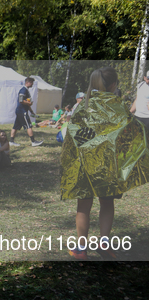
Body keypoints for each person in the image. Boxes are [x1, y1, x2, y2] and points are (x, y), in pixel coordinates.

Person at [61, 67, 135, 260]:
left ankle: (81, 248)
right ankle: (104, 242)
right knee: (107, 203)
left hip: (86, 164)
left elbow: (74, 138)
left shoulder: (83, 107)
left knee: (83, 206)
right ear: (113, 85)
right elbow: (127, 136)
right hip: (109, 165)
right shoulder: (119, 107)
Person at [9, 77, 43, 147]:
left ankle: (11, 141)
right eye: (32, 83)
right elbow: (21, 100)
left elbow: (26, 102)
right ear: (28, 82)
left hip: (20, 111)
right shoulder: (23, 90)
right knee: (29, 126)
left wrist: (31, 111)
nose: (32, 84)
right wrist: (29, 103)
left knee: (15, 127)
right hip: (22, 111)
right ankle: (33, 142)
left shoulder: (26, 90)